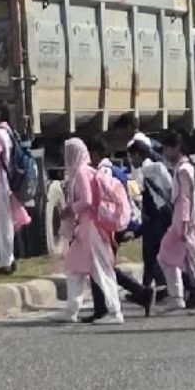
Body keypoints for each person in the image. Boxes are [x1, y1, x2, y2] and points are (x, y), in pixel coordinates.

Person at [55, 138, 123, 325]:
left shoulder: (82, 173)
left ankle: (114, 311)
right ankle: (71, 311)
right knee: (75, 268)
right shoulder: (83, 172)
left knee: (101, 270)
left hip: (91, 228)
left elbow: (87, 200)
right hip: (85, 229)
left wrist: (71, 208)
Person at [83, 138, 152, 322]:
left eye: (90, 154)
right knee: (105, 265)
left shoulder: (103, 172)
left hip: (110, 224)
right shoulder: (115, 169)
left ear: (96, 154)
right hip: (120, 221)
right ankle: (137, 294)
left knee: (101, 265)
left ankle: (105, 308)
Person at [127, 140, 195, 306]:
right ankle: (147, 292)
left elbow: (160, 196)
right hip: (158, 219)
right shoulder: (156, 168)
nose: (131, 161)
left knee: (165, 257)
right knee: (155, 258)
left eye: (132, 157)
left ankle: (187, 290)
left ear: (138, 154)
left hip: (157, 220)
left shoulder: (148, 170)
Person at [155, 131, 195, 315]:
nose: (165, 152)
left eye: (168, 148)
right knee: (165, 257)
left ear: (177, 148)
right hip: (180, 223)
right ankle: (176, 297)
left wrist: (184, 225)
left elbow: (185, 199)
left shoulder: (184, 169)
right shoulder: (182, 167)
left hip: (187, 224)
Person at [0, 100, 31, 276]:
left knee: (2, 221)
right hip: (6, 181)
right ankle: (7, 258)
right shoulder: (9, 131)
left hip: (1, 182)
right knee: (4, 221)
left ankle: (6, 260)